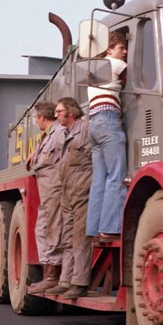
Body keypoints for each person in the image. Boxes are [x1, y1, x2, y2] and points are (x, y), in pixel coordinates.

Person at [45, 97, 93, 299]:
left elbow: (96, 159)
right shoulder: (63, 134)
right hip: (67, 190)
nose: (55, 115)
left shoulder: (85, 130)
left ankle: (79, 282)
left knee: (80, 237)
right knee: (67, 237)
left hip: (82, 189)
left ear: (71, 112)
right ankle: (65, 280)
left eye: (59, 111)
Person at [86, 30, 128, 240]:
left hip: (94, 123)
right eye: (121, 47)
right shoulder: (114, 63)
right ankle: (110, 228)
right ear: (109, 49)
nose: (125, 51)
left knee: (99, 179)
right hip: (109, 119)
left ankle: (94, 229)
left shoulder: (96, 69)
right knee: (117, 175)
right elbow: (138, 75)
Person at [25, 101, 65, 293]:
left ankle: (52, 277)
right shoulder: (50, 136)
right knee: (44, 230)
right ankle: (50, 275)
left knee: (51, 231)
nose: (35, 121)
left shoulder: (58, 134)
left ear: (41, 118)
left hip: (55, 191)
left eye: (36, 118)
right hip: (48, 192)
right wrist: (36, 154)